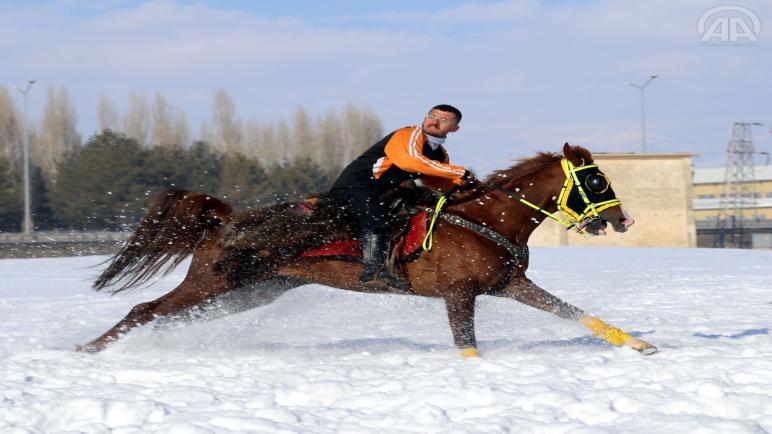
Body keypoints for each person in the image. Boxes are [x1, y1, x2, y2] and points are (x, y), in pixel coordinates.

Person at [330, 104, 474, 290]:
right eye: (432, 115)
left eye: (444, 120)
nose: (434, 121)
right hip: (356, 185)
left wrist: (466, 189)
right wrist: (458, 172)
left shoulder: (439, 154)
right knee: (377, 218)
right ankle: (373, 275)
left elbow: (437, 180)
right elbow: (411, 161)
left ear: (455, 129)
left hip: (382, 192)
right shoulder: (409, 135)